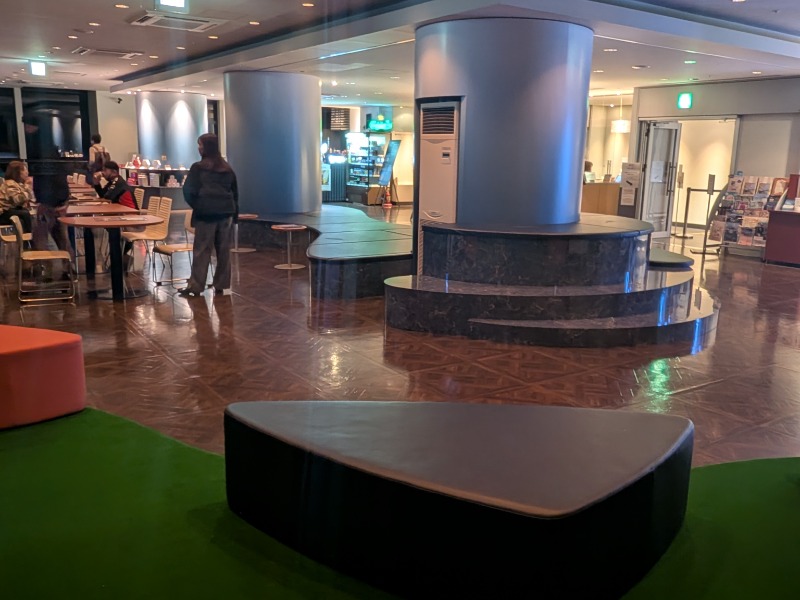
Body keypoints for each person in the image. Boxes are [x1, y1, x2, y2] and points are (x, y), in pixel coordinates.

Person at [179, 133, 239, 297]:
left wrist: (199, 205)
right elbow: (235, 193)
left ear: (206, 147)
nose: (199, 148)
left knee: (202, 250)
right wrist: (235, 214)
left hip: (206, 214)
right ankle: (222, 284)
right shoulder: (227, 168)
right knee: (224, 251)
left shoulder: (198, 168)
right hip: (226, 213)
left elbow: (188, 190)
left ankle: (196, 286)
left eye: (200, 145)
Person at [0, 160, 35, 233]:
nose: (27, 173)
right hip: (4, 212)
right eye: (25, 170)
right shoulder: (10, 184)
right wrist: (28, 187)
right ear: (18, 172)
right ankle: (29, 235)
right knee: (25, 214)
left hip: (11, 210)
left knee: (29, 213)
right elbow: (17, 199)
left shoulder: (18, 184)